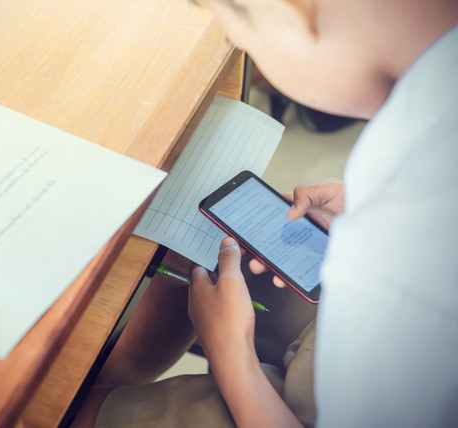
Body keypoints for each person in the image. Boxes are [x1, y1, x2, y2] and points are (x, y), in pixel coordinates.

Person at [72, 0, 458, 426]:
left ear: (289, 13)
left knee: (74, 408)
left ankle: (99, 393)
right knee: (212, 245)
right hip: (359, 332)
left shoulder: (408, 281)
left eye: (242, 37)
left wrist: (230, 353)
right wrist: (373, 211)